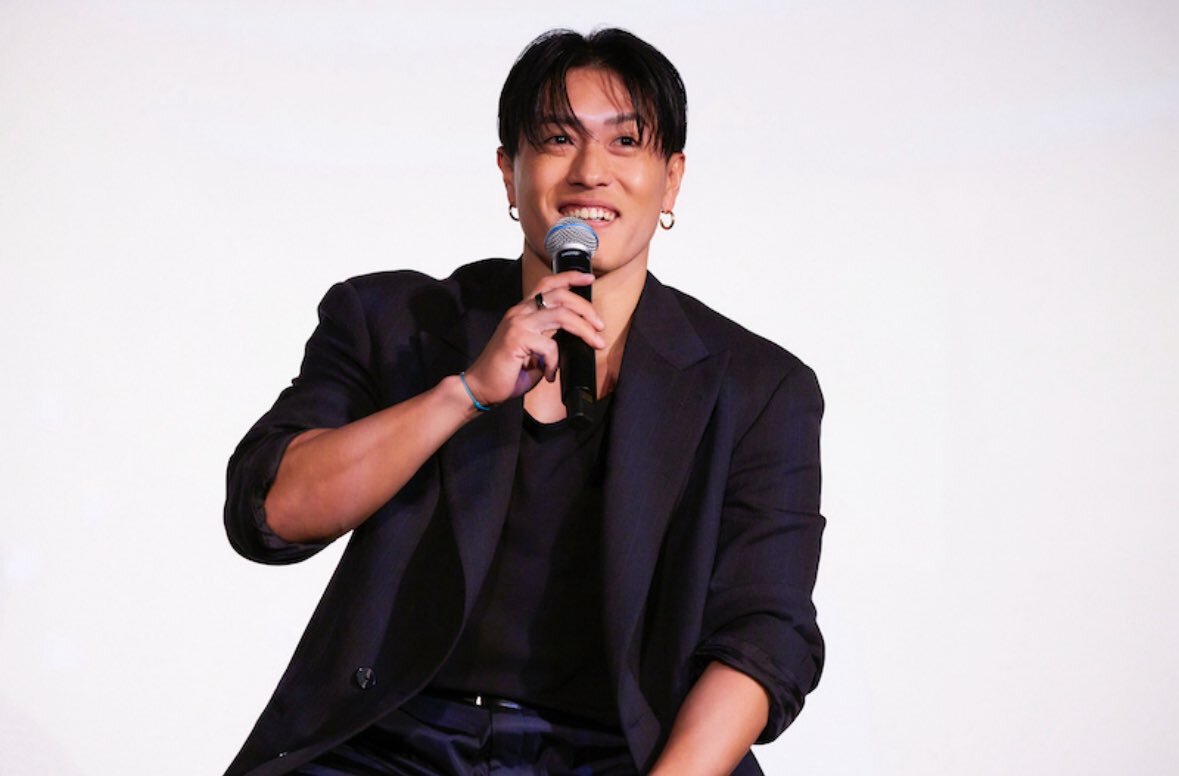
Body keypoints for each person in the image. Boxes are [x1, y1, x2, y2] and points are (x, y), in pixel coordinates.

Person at [224, 27, 824, 776]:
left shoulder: (756, 388)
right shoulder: (394, 325)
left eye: (625, 143)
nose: (590, 172)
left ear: (670, 181)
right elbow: (271, 513)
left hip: (622, 755)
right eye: (557, 139)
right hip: (392, 743)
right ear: (510, 173)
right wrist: (467, 392)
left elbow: (764, 636)